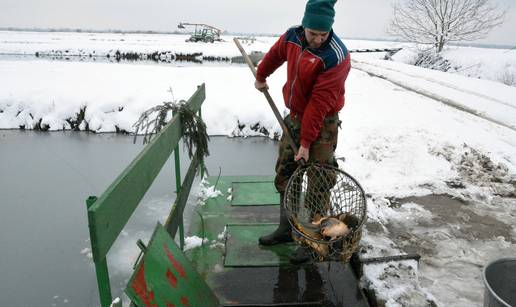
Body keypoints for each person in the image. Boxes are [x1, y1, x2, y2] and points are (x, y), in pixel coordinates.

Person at [254, 0, 351, 263]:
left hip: (323, 123)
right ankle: (287, 228)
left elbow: (319, 104)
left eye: (324, 34)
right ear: (304, 25)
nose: (318, 39)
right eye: (313, 34)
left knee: (319, 180)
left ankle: (313, 241)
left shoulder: (336, 56)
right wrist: (261, 75)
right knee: (286, 171)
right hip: (295, 117)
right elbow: (275, 55)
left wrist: (307, 142)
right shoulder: (292, 36)